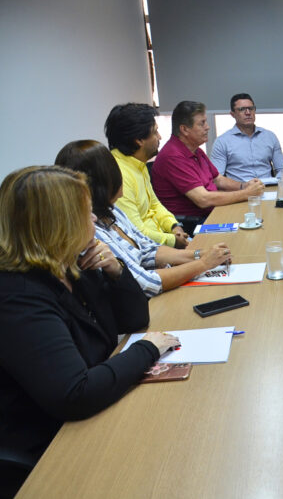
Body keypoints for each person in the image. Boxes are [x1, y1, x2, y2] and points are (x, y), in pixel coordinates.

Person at [0, 166, 180, 497]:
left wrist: (116, 271)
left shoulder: (72, 264)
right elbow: (75, 394)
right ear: (59, 225)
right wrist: (149, 350)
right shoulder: (18, 295)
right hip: (54, 442)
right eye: (86, 214)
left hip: (98, 404)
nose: (95, 221)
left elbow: (134, 321)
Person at [55, 140, 232, 298]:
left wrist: (197, 254)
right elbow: (146, 284)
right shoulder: (90, 230)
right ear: (104, 181)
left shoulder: (112, 211)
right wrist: (203, 263)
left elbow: (147, 250)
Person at [151, 101, 265, 234]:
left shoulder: (195, 150)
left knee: (258, 220)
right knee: (249, 231)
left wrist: (244, 186)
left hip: (212, 213)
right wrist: (246, 194)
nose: (208, 127)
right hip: (193, 224)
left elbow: (218, 179)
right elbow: (203, 199)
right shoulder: (173, 156)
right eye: (202, 123)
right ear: (184, 129)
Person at [104, 103, 189, 249]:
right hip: (150, 251)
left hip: (163, 240)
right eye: (155, 132)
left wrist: (174, 226)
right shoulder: (118, 174)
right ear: (139, 140)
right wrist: (173, 240)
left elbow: (154, 204)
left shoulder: (137, 161)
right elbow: (135, 233)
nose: (160, 137)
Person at [210, 93, 283, 183]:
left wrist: (280, 187)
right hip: (238, 191)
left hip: (268, 189)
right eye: (242, 109)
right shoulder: (222, 141)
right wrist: (242, 188)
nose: (248, 113)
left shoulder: (270, 137)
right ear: (232, 114)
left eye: (251, 108)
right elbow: (217, 178)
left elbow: (282, 170)